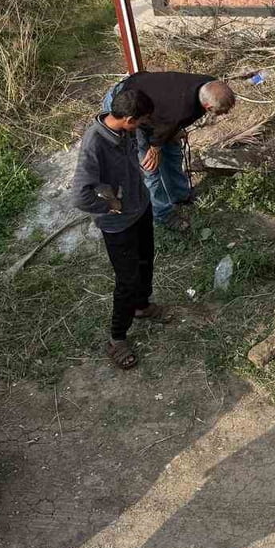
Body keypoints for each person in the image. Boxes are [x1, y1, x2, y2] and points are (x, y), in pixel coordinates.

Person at [72, 86, 167, 369]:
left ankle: (142, 306)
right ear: (128, 119)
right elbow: (80, 196)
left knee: (145, 260)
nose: (143, 126)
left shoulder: (125, 130)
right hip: (118, 225)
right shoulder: (94, 144)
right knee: (127, 280)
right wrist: (109, 205)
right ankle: (117, 338)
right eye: (141, 122)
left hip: (141, 208)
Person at [101, 72, 237, 232]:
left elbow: (169, 120)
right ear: (208, 107)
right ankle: (163, 214)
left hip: (153, 108)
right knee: (150, 168)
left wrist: (173, 131)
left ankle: (180, 195)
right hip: (128, 108)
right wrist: (155, 149)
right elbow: (165, 124)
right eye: (223, 111)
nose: (225, 114)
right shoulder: (180, 109)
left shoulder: (208, 85)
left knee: (172, 153)